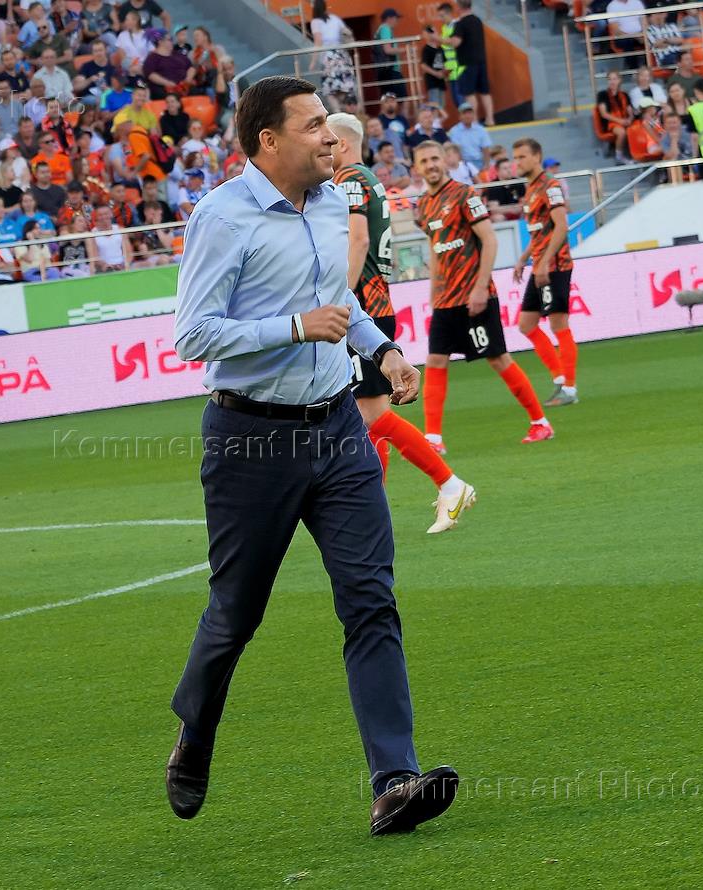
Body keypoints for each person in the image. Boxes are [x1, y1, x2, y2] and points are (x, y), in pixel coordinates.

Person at [167, 75, 457, 836]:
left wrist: (382, 349)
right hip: (250, 440)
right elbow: (192, 335)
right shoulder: (221, 216)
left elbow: (340, 301)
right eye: (314, 125)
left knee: (371, 599)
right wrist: (294, 327)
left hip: (336, 430)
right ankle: (195, 731)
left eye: (330, 123)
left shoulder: (333, 203)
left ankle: (394, 780)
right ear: (268, 141)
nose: (332, 136)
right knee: (236, 613)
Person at [327, 112, 475, 532]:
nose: (322, 144)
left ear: (342, 142)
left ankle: (450, 483)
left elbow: (358, 239)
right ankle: (374, 510)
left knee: (369, 413)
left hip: (363, 307)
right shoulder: (369, 179)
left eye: (327, 138)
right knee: (368, 415)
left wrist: (341, 297)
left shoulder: (349, 179)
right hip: (376, 303)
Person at [413, 140, 553, 452]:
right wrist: (434, 289)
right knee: (434, 359)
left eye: (434, 158)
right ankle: (433, 438)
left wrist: (479, 287)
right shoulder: (422, 204)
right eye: (424, 161)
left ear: (445, 161)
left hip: (475, 296)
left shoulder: (465, 194)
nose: (431, 165)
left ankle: (540, 422)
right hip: (446, 299)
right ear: (417, 167)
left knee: (498, 358)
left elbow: (489, 240)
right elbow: (436, 247)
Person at [511, 138, 579, 408]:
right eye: (515, 157)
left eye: (522, 156)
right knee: (526, 324)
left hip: (555, 266)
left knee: (558, 324)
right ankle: (560, 379)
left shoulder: (550, 185)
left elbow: (561, 226)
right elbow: (539, 232)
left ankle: (570, 389)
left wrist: (544, 263)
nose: (517, 162)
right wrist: (523, 259)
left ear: (537, 156)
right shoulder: (531, 189)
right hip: (540, 265)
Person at [445, 0, 494, 126]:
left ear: (458, 7)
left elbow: (456, 42)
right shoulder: (477, 20)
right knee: (484, 92)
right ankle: (490, 119)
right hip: (481, 61)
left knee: (469, 94)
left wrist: (439, 39)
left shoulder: (461, 23)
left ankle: (475, 122)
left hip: (467, 63)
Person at [447, 101, 491, 166]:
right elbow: (457, 152)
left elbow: (486, 149)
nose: (467, 116)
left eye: (470, 113)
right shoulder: (454, 131)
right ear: (459, 116)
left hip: (480, 161)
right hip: (464, 162)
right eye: (464, 113)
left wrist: (486, 165)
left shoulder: (481, 129)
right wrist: (464, 167)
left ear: (473, 115)